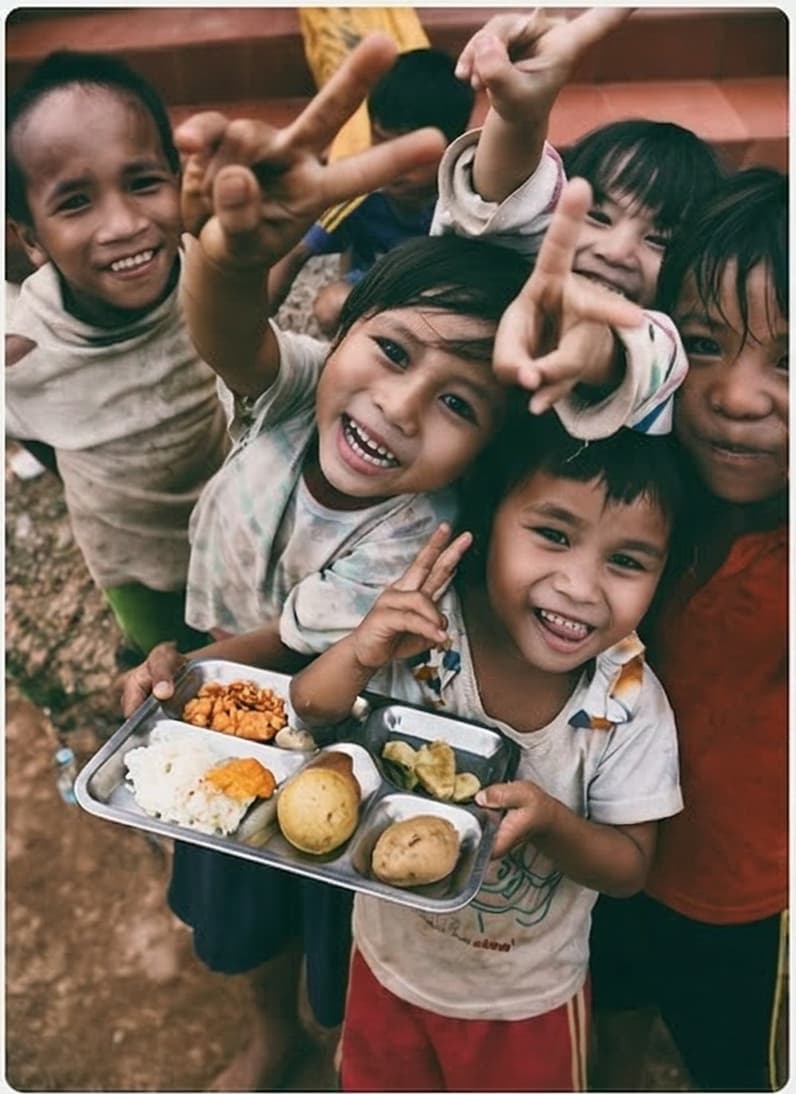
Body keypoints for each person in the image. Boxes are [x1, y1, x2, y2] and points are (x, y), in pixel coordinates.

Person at [121, 35, 645, 1090]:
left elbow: (280, 649)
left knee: (313, 910)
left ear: (483, 445)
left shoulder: (418, 536)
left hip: (312, 720)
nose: (396, 410)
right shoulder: (298, 388)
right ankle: (274, 1032)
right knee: (228, 909)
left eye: (456, 404)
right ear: (341, 324)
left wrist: (178, 674)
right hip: (220, 675)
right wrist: (225, 253)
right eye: (392, 352)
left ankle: (321, 1025)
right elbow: (226, 331)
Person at [289, 410, 686, 1093]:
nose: (582, 587)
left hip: (523, 1000)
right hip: (387, 964)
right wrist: (359, 651)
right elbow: (311, 707)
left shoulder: (626, 704)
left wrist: (553, 824)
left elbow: (629, 869)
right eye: (553, 535)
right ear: (489, 520)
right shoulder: (426, 634)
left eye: (625, 561)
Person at [589, 167, 788, 1093]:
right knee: (612, 1004)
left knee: (729, 1058)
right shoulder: (645, 483)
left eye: (789, 359)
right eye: (704, 343)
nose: (739, 397)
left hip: (740, 893)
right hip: (604, 845)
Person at [5, 49, 229, 654]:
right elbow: (24, 420)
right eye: (75, 202)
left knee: (243, 654)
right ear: (31, 239)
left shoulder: (208, 276)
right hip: (127, 554)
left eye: (142, 183)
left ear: (177, 179)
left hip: (233, 519)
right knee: (161, 658)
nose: (123, 222)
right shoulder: (22, 351)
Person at [267, 47, 474, 333]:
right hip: (372, 293)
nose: (395, 168)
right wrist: (257, 323)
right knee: (330, 306)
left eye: (412, 155)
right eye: (381, 142)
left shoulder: (467, 199)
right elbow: (294, 252)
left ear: (453, 147)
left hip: (437, 299)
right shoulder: (359, 194)